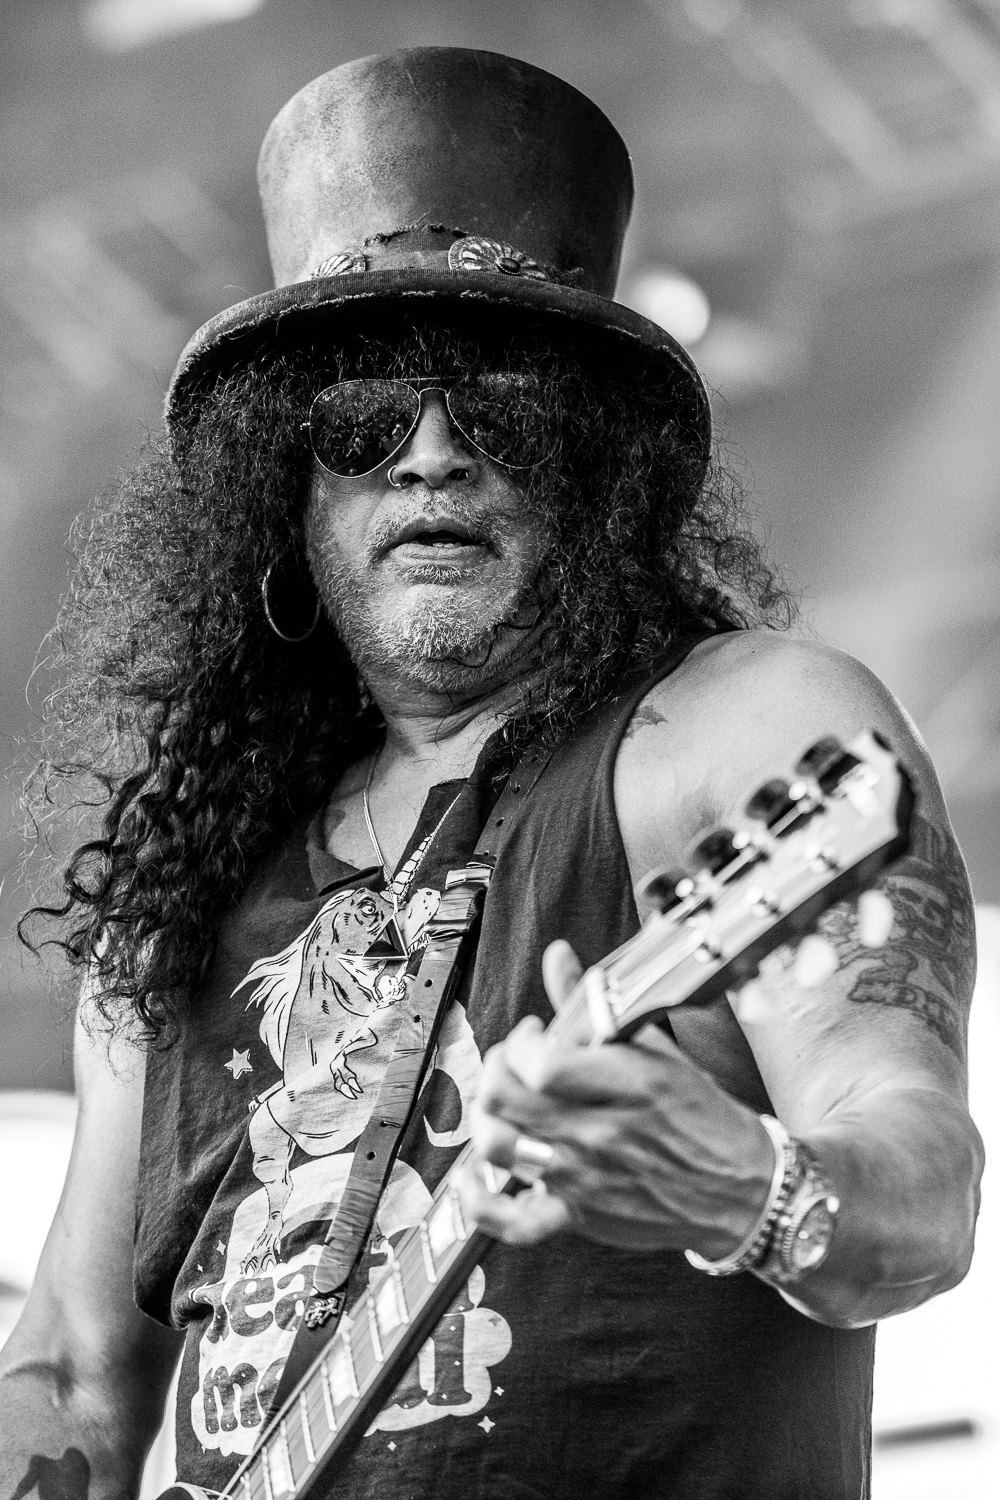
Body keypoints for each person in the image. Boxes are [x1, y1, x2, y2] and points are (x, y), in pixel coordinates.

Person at [0, 45, 982, 1500]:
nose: (430, 458)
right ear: (288, 482)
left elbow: (921, 1195)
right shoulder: (184, 890)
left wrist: (754, 1190)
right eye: (361, 423)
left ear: (594, 463)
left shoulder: (743, 735)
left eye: (500, 413)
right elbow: (80, 1368)